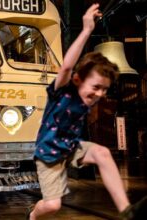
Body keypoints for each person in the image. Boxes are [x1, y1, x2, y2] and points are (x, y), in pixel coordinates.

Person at [27, 4, 147, 220]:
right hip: (48, 154)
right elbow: (65, 67)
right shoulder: (61, 91)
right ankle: (33, 216)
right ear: (77, 79)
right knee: (53, 206)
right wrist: (86, 30)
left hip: (72, 147)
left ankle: (126, 212)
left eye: (104, 89)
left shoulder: (88, 99)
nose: (100, 94)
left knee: (103, 153)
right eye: (95, 87)